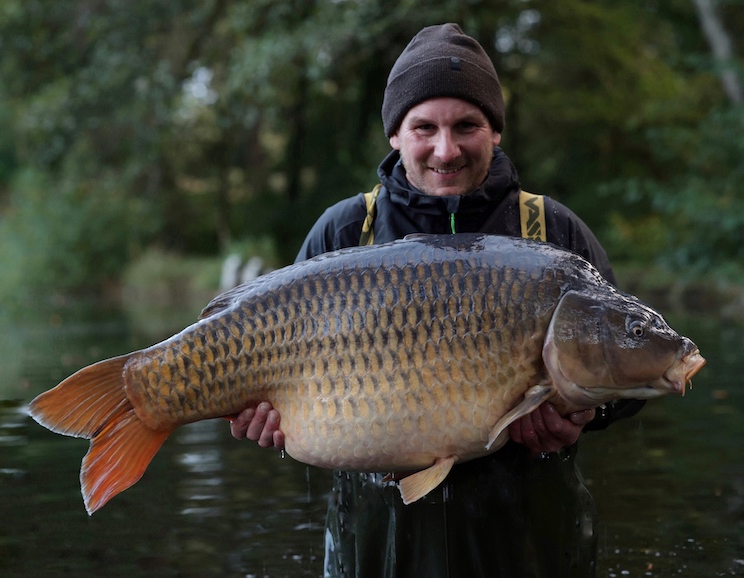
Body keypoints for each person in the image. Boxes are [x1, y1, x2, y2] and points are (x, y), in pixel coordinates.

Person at [229, 23, 644, 577]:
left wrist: (589, 413)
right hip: (377, 543)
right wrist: (268, 428)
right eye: (424, 127)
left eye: (466, 125)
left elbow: (626, 366)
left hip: (524, 540)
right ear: (396, 136)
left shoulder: (552, 231)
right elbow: (286, 395)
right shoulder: (344, 231)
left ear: (494, 131)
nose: (446, 150)